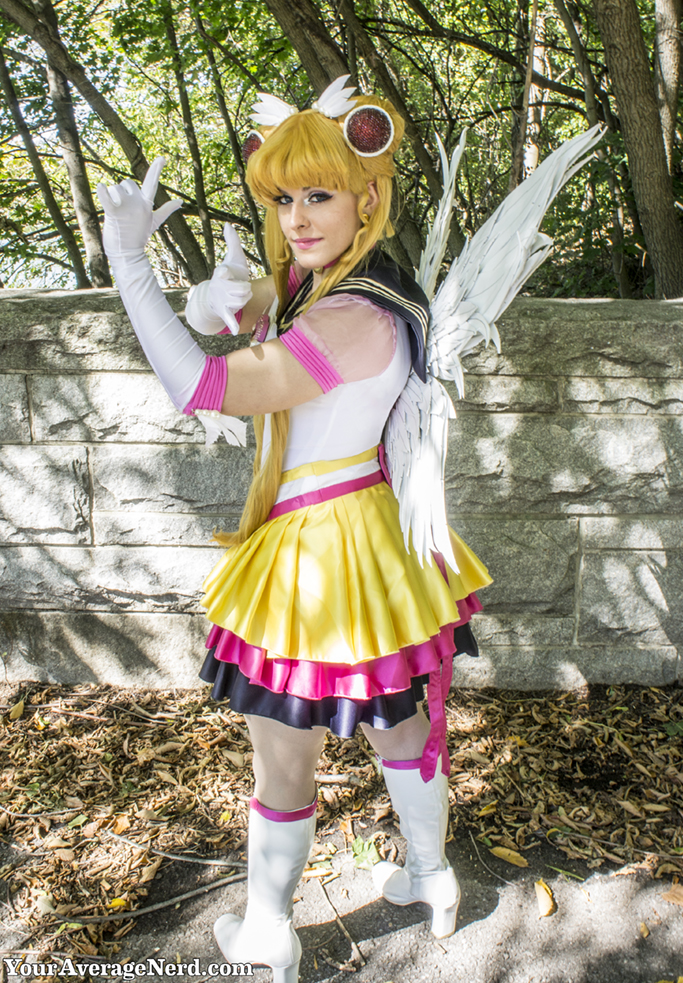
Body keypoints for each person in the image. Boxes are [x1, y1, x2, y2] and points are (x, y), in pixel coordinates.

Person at [97, 77, 491, 983]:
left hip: (318, 547)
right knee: (397, 725)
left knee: (285, 757)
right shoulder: (348, 290)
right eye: (283, 198)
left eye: (319, 194)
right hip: (364, 537)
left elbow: (202, 385)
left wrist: (129, 267)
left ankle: (272, 929)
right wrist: (232, 304)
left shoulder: (351, 314)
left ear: (367, 197)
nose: (298, 217)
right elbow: (253, 331)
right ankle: (430, 878)